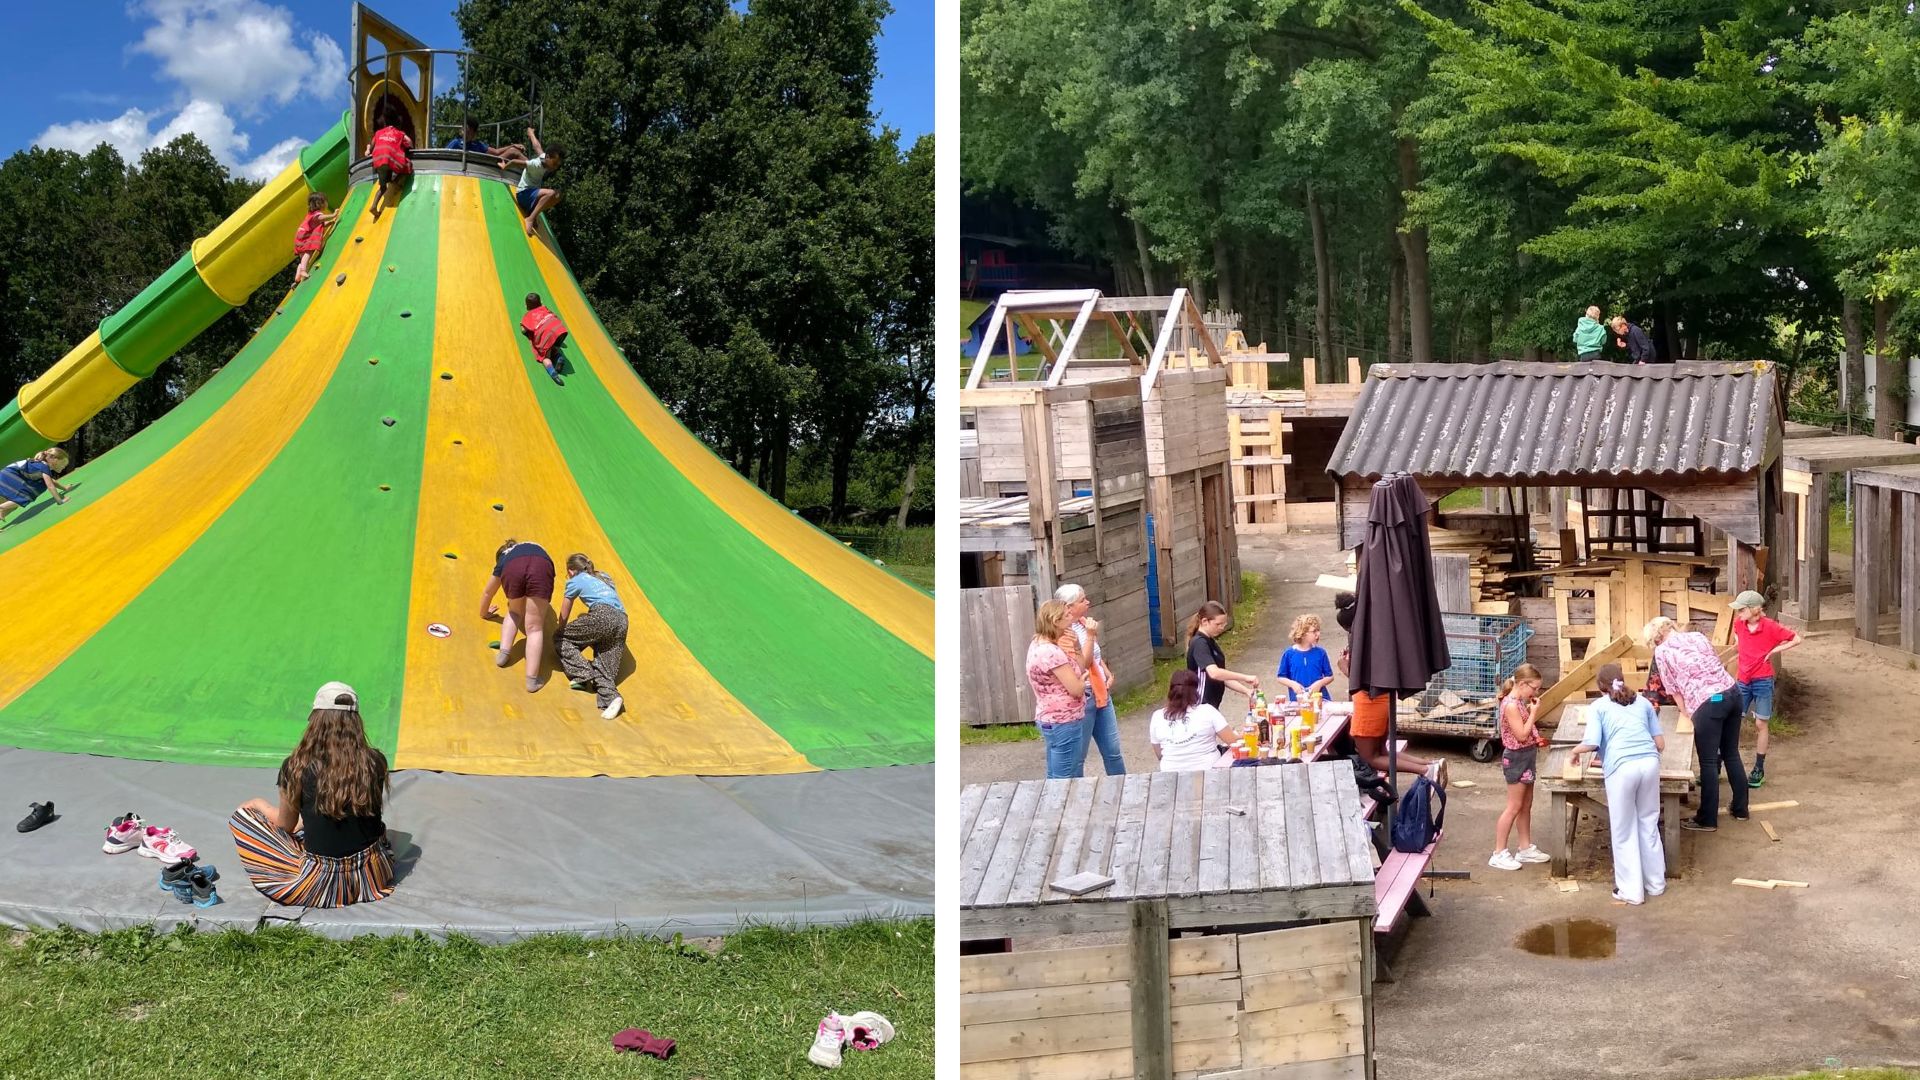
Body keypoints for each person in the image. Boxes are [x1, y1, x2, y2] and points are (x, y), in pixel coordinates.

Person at [230, 682, 394, 908]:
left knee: (244, 819)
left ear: (315, 720)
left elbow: (285, 826)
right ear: (356, 722)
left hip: (323, 883)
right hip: (372, 874)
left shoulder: (297, 766)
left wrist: (258, 804)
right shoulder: (375, 761)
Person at [1568, 663, 1667, 905]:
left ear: (1599, 686)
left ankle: (1631, 891)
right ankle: (1655, 884)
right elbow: (1660, 743)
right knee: (1648, 822)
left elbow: (1592, 742)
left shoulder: (1598, 707)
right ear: (1622, 680)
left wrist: (1575, 751)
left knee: (1624, 830)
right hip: (1649, 763)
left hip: (1622, 768)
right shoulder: (1643, 702)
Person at [1646, 616, 1747, 829]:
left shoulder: (1662, 652)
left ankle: (1707, 819)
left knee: (1708, 762)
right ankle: (1740, 809)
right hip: (1732, 692)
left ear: (1656, 637)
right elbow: (1714, 663)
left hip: (1707, 702)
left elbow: (1673, 690)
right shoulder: (1698, 636)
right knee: (1731, 753)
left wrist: (1689, 713)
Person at [1332, 592, 1441, 781]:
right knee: (1383, 751)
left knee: (1370, 757)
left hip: (1368, 702)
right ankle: (1431, 764)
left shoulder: (1359, 641)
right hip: (1383, 699)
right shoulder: (1376, 634)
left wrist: (1345, 668)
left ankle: (1425, 771)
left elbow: (1363, 678)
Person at [1729, 590, 1799, 788]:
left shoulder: (1770, 627)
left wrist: (1773, 651)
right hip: (1743, 680)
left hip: (1762, 680)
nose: (1738, 613)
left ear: (1754, 609)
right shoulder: (1738, 625)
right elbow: (1738, 644)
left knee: (1761, 724)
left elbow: (1796, 639)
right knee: (1732, 721)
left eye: (1741, 609)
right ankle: (1717, 764)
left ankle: (1758, 768)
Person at [1055, 583, 1123, 775]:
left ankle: (1123, 790)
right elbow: (1081, 665)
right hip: (1083, 697)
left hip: (1101, 692)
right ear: (1068, 607)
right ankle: (1076, 797)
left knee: (1113, 751)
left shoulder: (1083, 623)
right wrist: (1091, 636)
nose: (1088, 602)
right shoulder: (1064, 634)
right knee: (1078, 757)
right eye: (1082, 600)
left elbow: (1094, 656)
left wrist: (1106, 672)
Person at [1488, 663, 1550, 870]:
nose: (1536, 692)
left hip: (1527, 755)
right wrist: (1534, 713)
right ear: (1522, 684)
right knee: (1514, 806)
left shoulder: (1520, 701)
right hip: (1516, 758)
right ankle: (1499, 852)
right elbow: (1521, 734)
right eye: (1534, 688)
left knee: (1525, 805)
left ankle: (1524, 848)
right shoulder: (1511, 705)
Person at [557, 553, 628, 720]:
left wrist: (560, 630)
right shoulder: (604, 576)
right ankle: (613, 697)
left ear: (571, 571)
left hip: (602, 615)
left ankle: (583, 673)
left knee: (561, 638)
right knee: (605, 670)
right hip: (622, 620)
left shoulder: (575, 580)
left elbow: (565, 613)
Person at [481, 538, 556, 692]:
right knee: (534, 628)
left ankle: (503, 654)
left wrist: (484, 613)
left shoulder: (504, 559)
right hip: (542, 566)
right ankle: (532, 681)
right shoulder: (531, 546)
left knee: (514, 612)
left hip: (513, 569)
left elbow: (488, 592)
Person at [1027, 599, 1087, 779]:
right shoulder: (1051, 652)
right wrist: (1083, 682)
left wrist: (1076, 646)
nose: (1071, 617)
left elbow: (1080, 667)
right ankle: (1060, 807)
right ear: (1056, 621)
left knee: (1055, 773)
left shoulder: (1037, 643)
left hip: (1050, 718)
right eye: (1067, 615)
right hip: (1064, 721)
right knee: (1065, 778)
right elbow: (1076, 689)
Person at [1183, 600, 1260, 712]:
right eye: (1218, 624)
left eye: (1223, 624)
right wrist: (1245, 677)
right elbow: (1214, 673)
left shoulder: (1210, 642)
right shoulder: (1199, 643)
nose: (1221, 628)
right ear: (1204, 621)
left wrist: (1246, 691)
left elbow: (1222, 677)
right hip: (1200, 706)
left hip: (1212, 706)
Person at [1149, 670, 1230, 772]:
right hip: (1208, 772)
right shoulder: (1207, 711)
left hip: (1170, 774)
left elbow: (1159, 754)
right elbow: (1233, 741)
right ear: (1196, 690)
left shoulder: (1157, 716)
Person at [0, 448, 71, 529]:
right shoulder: (43, 466)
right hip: (9, 476)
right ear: (54, 459)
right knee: (24, 498)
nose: (64, 467)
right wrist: (60, 501)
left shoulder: (41, 465)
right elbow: (50, 485)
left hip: (8, 475)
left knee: (13, 505)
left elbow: (51, 481)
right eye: (63, 464)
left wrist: (64, 488)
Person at [1274, 613, 1335, 703]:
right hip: (1298, 700)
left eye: (1318, 630)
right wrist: (1293, 684)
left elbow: (1330, 676)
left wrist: (1319, 683)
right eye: (1314, 631)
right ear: (1302, 634)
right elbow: (1280, 677)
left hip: (1320, 700)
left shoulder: (1321, 653)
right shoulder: (1289, 654)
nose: (1318, 634)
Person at [368, 101, 414, 219]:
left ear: (383, 122)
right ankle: (395, 182)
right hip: (390, 161)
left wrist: (368, 150)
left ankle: (374, 206)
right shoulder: (399, 133)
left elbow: (371, 146)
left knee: (383, 187)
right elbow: (410, 143)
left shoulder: (378, 133)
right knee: (408, 166)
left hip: (378, 162)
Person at [515, 128, 564, 235]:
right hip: (523, 194)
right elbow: (518, 162)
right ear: (547, 157)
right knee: (550, 193)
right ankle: (530, 218)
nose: (555, 167)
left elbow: (537, 146)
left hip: (531, 195)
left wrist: (531, 133)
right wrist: (505, 165)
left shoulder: (545, 159)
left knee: (558, 195)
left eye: (557, 165)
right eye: (554, 164)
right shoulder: (535, 164)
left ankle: (533, 212)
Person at [520, 292, 568, 386]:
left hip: (546, 334)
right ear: (541, 302)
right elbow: (554, 316)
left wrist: (522, 325)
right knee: (551, 345)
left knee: (544, 356)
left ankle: (554, 374)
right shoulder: (544, 308)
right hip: (559, 329)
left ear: (526, 306)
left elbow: (523, 330)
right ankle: (559, 357)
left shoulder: (528, 316)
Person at [292, 193, 339, 284]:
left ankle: (298, 277)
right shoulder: (317, 214)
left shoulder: (311, 214)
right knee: (308, 252)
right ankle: (302, 270)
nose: (326, 203)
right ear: (319, 203)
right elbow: (321, 218)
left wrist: (330, 223)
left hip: (301, 236)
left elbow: (321, 224)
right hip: (304, 237)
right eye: (325, 202)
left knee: (304, 258)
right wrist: (333, 215)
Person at [445, 116, 527, 167]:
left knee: (514, 151)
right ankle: (535, 166)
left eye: (467, 130)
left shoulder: (477, 144)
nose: (464, 131)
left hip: (486, 167)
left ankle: (534, 168)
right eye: (463, 129)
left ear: (474, 132)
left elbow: (496, 152)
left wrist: (512, 146)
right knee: (514, 152)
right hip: (466, 168)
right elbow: (443, 156)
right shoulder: (456, 143)